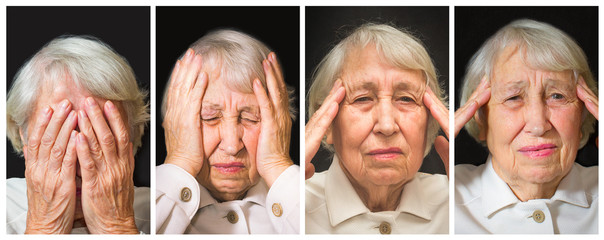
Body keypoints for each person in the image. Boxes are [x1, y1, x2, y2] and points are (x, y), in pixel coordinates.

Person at [454, 19, 598, 234]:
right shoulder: (445, 195)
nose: (538, 125)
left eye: (557, 96)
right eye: (513, 98)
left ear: (584, 113)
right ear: (480, 118)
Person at [305, 23, 449, 234]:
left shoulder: (458, 201)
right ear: (325, 122)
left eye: (406, 99)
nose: (387, 126)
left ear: (430, 119)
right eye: (362, 98)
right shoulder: (292, 203)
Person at [156, 29, 299, 234]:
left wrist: (277, 166)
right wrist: (180, 161)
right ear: (173, 123)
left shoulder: (306, 196)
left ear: (280, 123)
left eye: (251, 118)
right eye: (210, 117)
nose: (232, 146)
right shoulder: (142, 204)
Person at [6, 36, 150, 234]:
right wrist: (44, 228)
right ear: (24, 135)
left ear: (130, 135)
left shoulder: (167, 212)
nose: (83, 162)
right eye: (59, 134)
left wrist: (117, 227)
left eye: (98, 135)